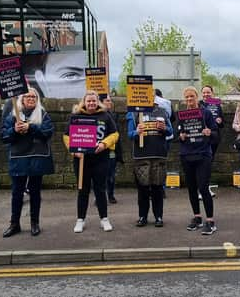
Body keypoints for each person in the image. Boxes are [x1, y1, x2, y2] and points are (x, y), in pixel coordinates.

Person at [1, 87, 54, 237]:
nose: (31, 99)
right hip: (18, 158)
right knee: (17, 193)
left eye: (34, 97)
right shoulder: (12, 116)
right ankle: (14, 223)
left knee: (35, 192)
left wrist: (31, 127)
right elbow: (4, 136)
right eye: (28, 97)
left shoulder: (43, 115)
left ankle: (34, 223)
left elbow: (47, 132)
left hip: (37, 157)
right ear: (22, 99)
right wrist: (14, 131)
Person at [64, 90, 119, 233]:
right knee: (83, 190)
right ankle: (80, 220)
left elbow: (115, 134)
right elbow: (66, 136)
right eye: (89, 101)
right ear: (84, 101)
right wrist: (74, 150)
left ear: (97, 102)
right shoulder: (75, 116)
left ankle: (104, 219)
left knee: (100, 189)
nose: (91, 103)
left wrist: (104, 144)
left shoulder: (105, 116)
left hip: (101, 158)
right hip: (82, 160)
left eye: (94, 101)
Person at [126, 95, 173, 227]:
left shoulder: (162, 111)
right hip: (141, 156)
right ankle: (142, 216)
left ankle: (158, 217)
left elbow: (170, 132)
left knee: (158, 188)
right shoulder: (133, 113)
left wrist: (165, 129)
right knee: (143, 189)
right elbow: (129, 134)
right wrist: (136, 132)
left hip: (159, 155)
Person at [178, 86, 219, 235]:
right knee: (191, 189)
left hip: (203, 154)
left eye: (192, 96)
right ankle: (197, 217)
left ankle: (210, 221)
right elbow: (179, 134)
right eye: (187, 97)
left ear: (197, 97)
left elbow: (215, 133)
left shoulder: (206, 113)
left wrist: (209, 132)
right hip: (187, 155)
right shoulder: (182, 115)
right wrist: (181, 136)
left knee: (203, 187)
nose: (189, 99)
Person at [102, 95, 123, 204]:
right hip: (99, 150)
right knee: (100, 175)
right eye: (107, 100)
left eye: (111, 100)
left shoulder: (113, 116)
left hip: (111, 150)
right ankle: (99, 196)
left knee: (110, 174)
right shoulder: (98, 116)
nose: (110, 102)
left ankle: (110, 195)